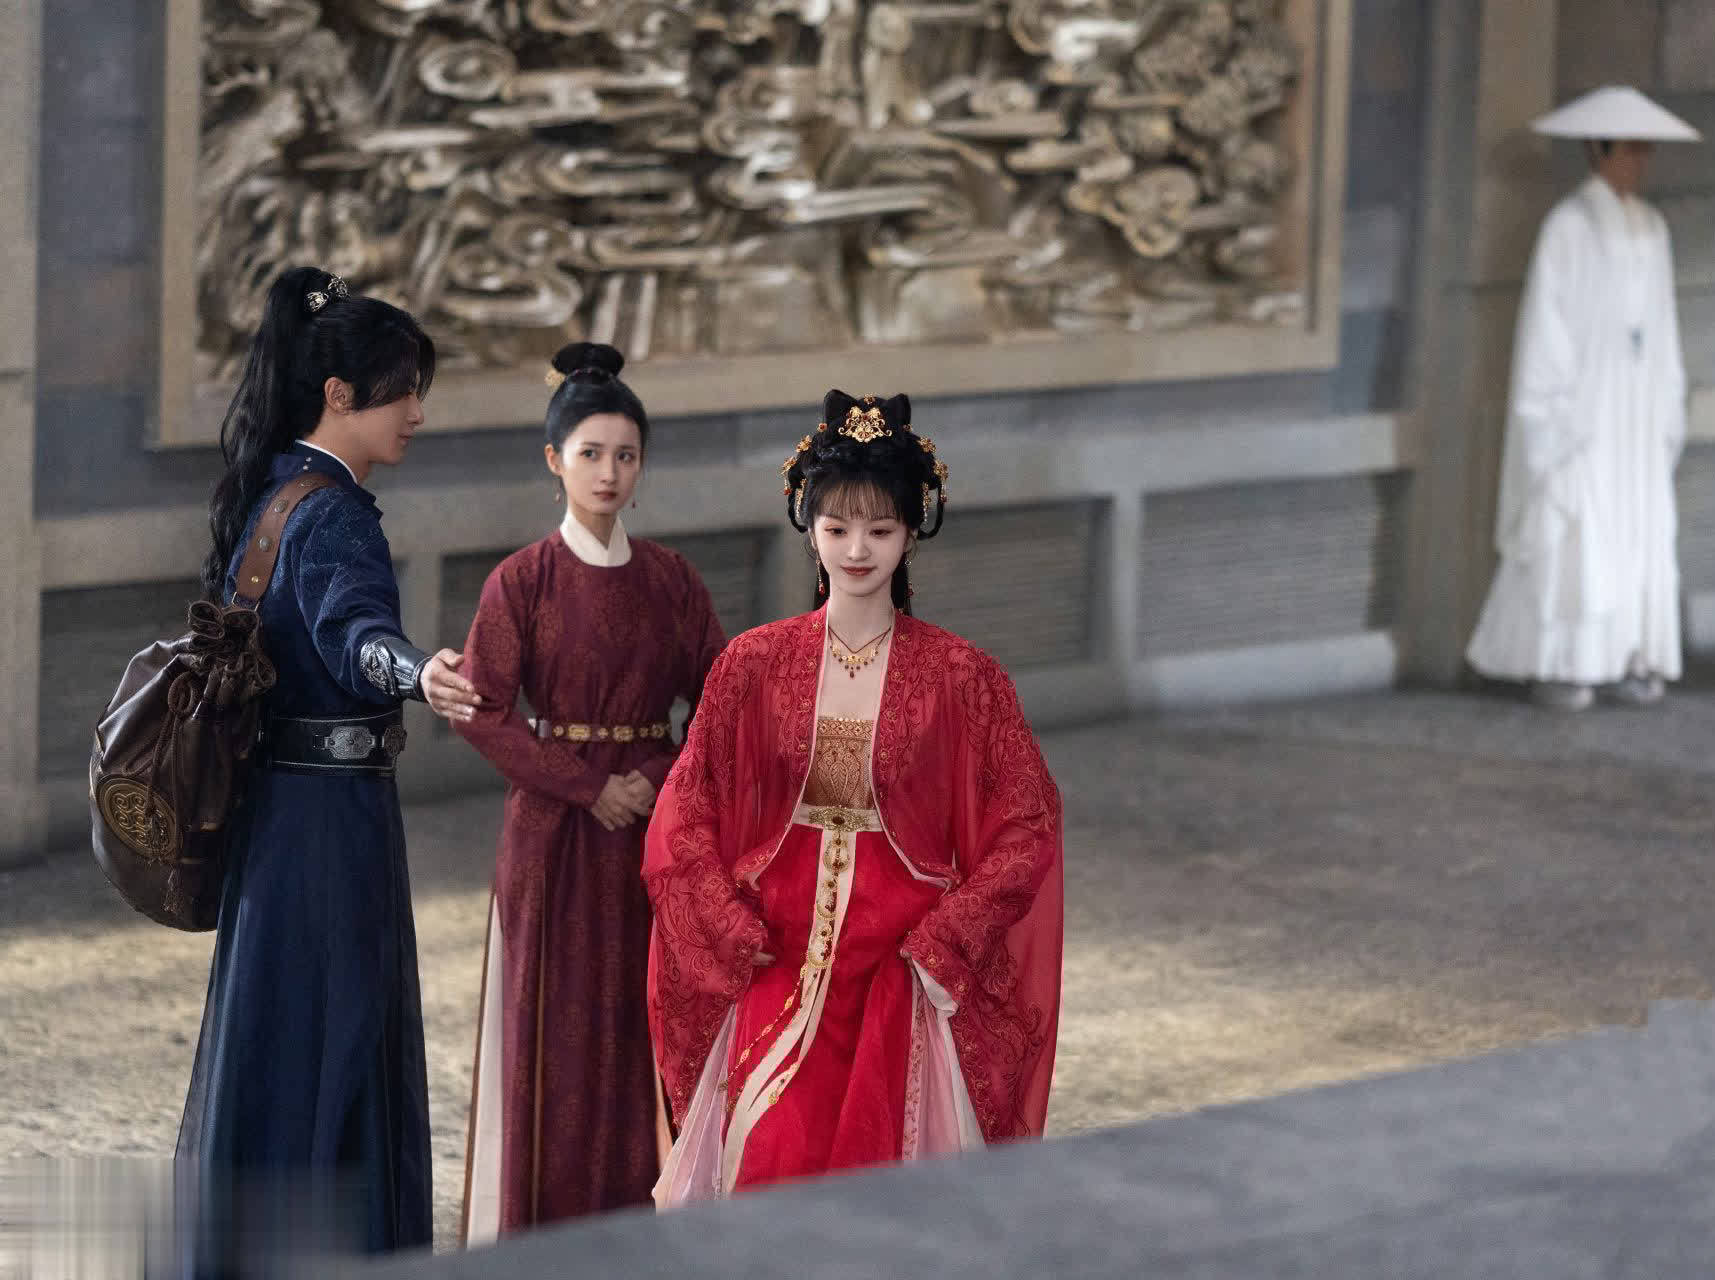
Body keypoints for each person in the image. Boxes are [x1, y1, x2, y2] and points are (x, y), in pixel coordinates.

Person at [646, 390, 1065, 1205]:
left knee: (888, 1185)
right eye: (837, 528)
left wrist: (947, 937)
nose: (857, 548)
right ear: (808, 527)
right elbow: (685, 811)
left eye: (880, 529)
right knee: (768, 1150)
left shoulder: (961, 675)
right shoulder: (753, 664)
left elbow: (1027, 827)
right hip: (777, 948)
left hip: (899, 964)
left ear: (913, 531)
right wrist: (726, 922)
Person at [177, 266, 481, 1272]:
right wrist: (420, 671)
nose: (417, 413)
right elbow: (356, 635)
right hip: (329, 828)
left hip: (275, 822)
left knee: (276, 1047)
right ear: (341, 393)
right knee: (336, 1046)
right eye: (402, 391)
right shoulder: (335, 512)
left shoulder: (271, 495)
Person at [453, 343, 727, 1242]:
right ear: (554, 460)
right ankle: (546, 1236)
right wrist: (585, 785)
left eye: (626, 455)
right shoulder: (522, 581)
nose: (609, 472)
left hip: (652, 829)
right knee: (554, 1029)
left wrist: (656, 775)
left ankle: (645, 1226)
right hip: (552, 836)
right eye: (591, 453)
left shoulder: (672, 581)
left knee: (646, 1022)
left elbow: (722, 698)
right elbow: (482, 710)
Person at [1466, 86, 1702, 711]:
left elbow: (1662, 323)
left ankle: (1627, 653)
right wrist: (1556, 410)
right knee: (1581, 525)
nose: (1639, 162)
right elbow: (1547, 325)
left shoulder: (1652, 227)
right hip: (1587, 407)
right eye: (1629, 150)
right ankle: (1564, 662)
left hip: (1637, 404)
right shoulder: (1568, 226)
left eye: (1645, 151)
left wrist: (1666, 398)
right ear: (1599, 151)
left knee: (1635, 525)